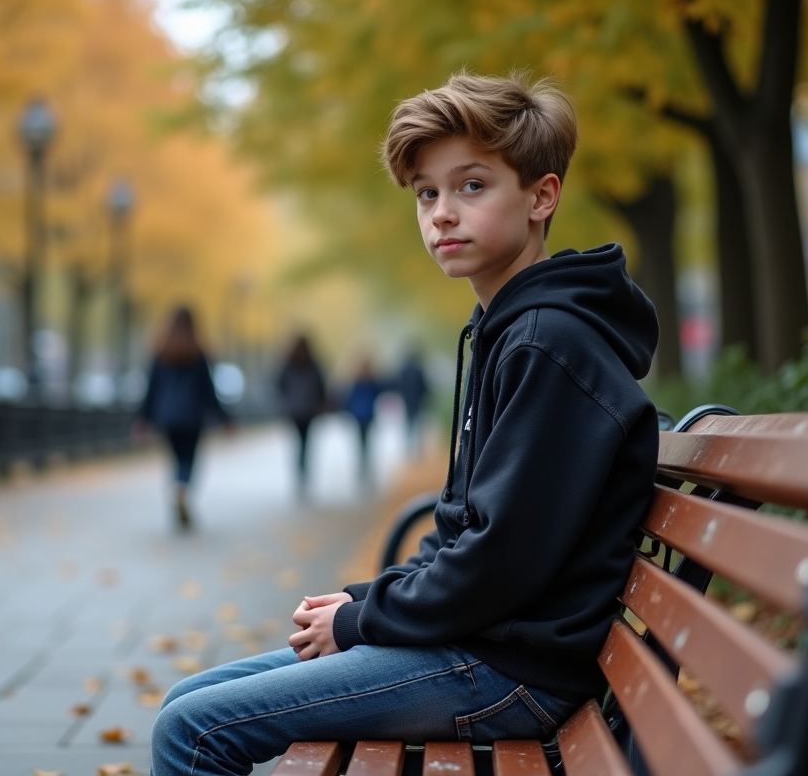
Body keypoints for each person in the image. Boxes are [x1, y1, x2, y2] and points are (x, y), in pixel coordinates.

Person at [150, 72, 659, 776]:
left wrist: (361, 620)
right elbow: (467, 531)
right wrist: (363, 600)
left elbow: (500, 560)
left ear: (541, 196)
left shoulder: (546, 343)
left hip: (512, 670)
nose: (442, 213)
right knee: (189, 696)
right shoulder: (510, 330)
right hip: (486, 642)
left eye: (471, 186)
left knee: (192, 731)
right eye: (428, 193)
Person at [134, 306, 229, 531]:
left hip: (166, 416)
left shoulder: (160, 352)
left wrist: (142, 418)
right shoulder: (199, 353)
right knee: (189, 459)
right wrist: (224, 418)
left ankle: (178, 488)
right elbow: (209, 390)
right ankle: (182, 489)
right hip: (193, 415)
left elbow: (151, 389)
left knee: (176, 458)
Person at [276, 334, 328, 497]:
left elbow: (279, 384)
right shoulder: (313, 364)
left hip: (295, 409)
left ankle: (300, 472)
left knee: (299, 443)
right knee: (305, 443)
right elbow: (321, 387)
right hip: (308, 410)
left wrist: (288, 399)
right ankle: (303, 472)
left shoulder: (288, 363)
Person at [343, 355, 382, 485]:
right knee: (366, 443)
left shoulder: (357, 381)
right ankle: (364, 467)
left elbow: (350, 399)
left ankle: (363, 468)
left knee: (362, 444)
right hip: (366, 415)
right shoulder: (371, 381)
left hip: (360, 415)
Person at [397, 349, 430, 456]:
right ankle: (418, 449)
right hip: (418, 401)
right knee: (418, 424)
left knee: (409, 424)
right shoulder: (419, 370)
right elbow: (424, 386)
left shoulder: (404, 371)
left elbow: (400, 386)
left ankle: (409, 448)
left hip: (407, 400)